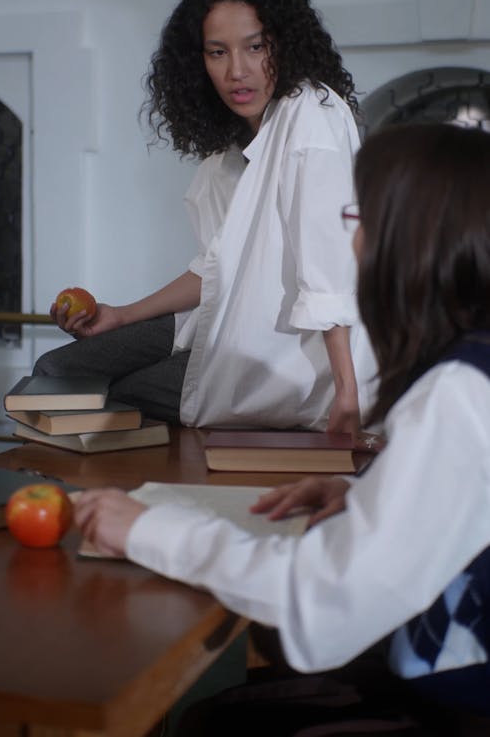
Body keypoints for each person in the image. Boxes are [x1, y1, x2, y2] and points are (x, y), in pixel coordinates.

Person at [75, 123, 490, 735]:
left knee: (212, 724)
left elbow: (321, 605)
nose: (350, 243)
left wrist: (149, 529)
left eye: (358, 218)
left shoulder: (456, 393)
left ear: (412, 238)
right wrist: (369, 498)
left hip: (456, 702)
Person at [33, 0, 375, 434]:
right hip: (217, 321)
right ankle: (59, 501)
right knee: (58, 372)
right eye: (218, 52)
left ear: (283, 42)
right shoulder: (231, 149)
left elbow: (329, 263)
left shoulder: (310, 116)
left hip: (288, 353)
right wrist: (120, 316)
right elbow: (215, 268)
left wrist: (348, 393)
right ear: (199, 62)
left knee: (122, 392)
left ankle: (113, 500)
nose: (238, 70)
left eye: (255, 47)